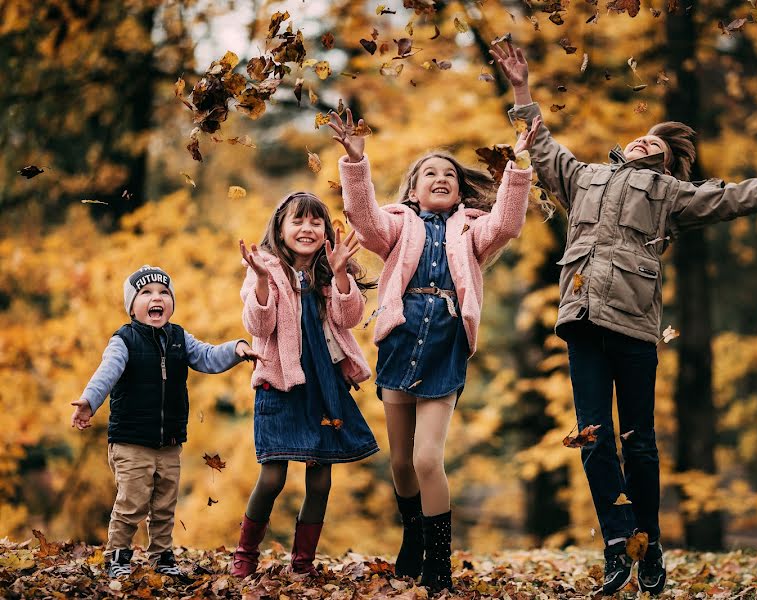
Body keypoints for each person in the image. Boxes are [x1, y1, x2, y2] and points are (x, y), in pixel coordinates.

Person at [490, 40, 757, 595]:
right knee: (592, 436)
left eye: (654, 141)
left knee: (639, 442)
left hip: (633, 324)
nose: (641, 139)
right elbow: (541, 146)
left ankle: (649, 542)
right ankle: (615, 543)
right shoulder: (582, 177)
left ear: (664, 160)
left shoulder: (670, 193)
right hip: (581, 317)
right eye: (640, 135)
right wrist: (520, 88)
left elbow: (730, 197)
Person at [329, 109, 536, 591]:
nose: (440, 179)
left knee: (426, 460)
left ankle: (438, 563)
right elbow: (363, 216)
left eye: (449, 174)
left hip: (445, 349)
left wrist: (518, 165)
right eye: (430, 174)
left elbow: (507, 222)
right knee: (400, 461)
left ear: (461, 191)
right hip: (400, 344)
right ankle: (414, 535)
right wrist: (356, 162)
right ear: (413, 189)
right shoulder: (397, 226)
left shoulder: (472, 229)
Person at [70, 265, 261, 578]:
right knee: (131, 502)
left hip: (169, 441)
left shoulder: (179, 338)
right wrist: (89, 401)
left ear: (171, 302)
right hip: (131, 441)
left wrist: (237, 348)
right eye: (145, 293)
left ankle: (161, 556)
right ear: (132, 306)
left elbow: (209, 357)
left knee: (164, 505)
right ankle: (118, 554)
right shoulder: (124, 341)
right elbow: (107, 372)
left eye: (163, 293)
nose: (156, 298)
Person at [230, 192, 379, 578]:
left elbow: (349, 318)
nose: (307, 228)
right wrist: (263, 283)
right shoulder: (263, 267)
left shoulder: (328, 270)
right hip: (280, 384)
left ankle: (303, 563)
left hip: (324, 386)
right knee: (273, 475)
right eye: (297, 221)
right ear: (280, 228)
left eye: (315, 222)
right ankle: (245, 555)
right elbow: (259, 326)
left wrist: (342, 272)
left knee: (321, 478)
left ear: (325, 230)